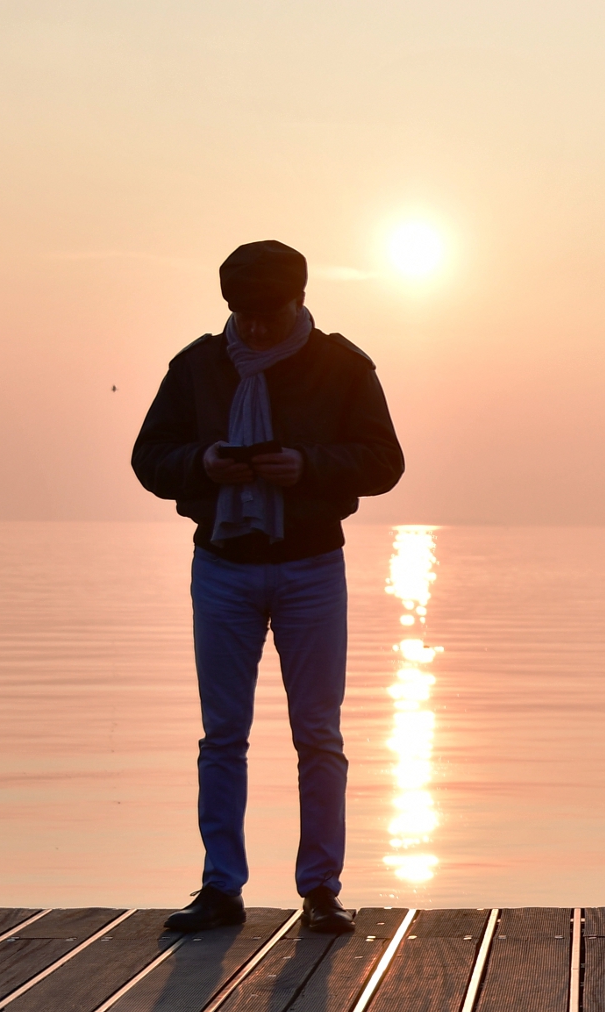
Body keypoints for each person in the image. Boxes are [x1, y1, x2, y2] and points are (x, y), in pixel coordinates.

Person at [132, 240, 405, 936]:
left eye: (267, 314)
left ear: (300, 299)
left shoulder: (343, 364)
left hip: (312, 565)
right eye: (241, 315)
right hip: (221, 564)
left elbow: (385, 459)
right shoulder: (197, 364)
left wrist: (306, 466)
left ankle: (321, 889)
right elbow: (148, 457)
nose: (253, 328)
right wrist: (204, 462)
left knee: (318, 732)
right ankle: (220, 887)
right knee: (223, 734)